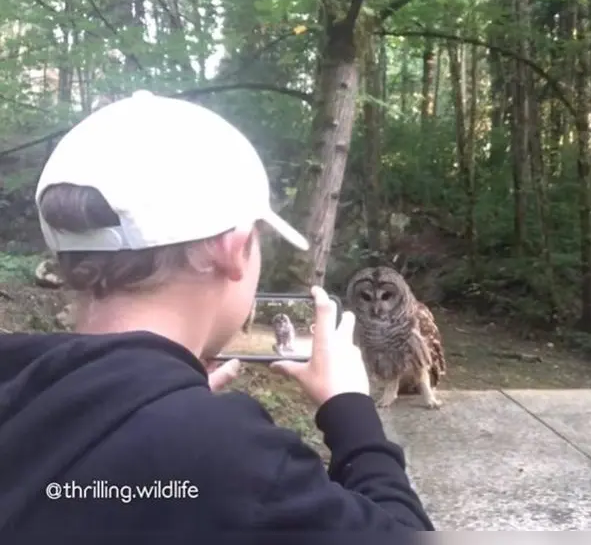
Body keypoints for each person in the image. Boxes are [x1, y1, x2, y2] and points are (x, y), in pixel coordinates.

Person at [0, 91, 434, 541]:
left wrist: (147, 404)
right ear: (232, 249)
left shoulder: (23, 391)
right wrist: (350, 410)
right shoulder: (231, 458)